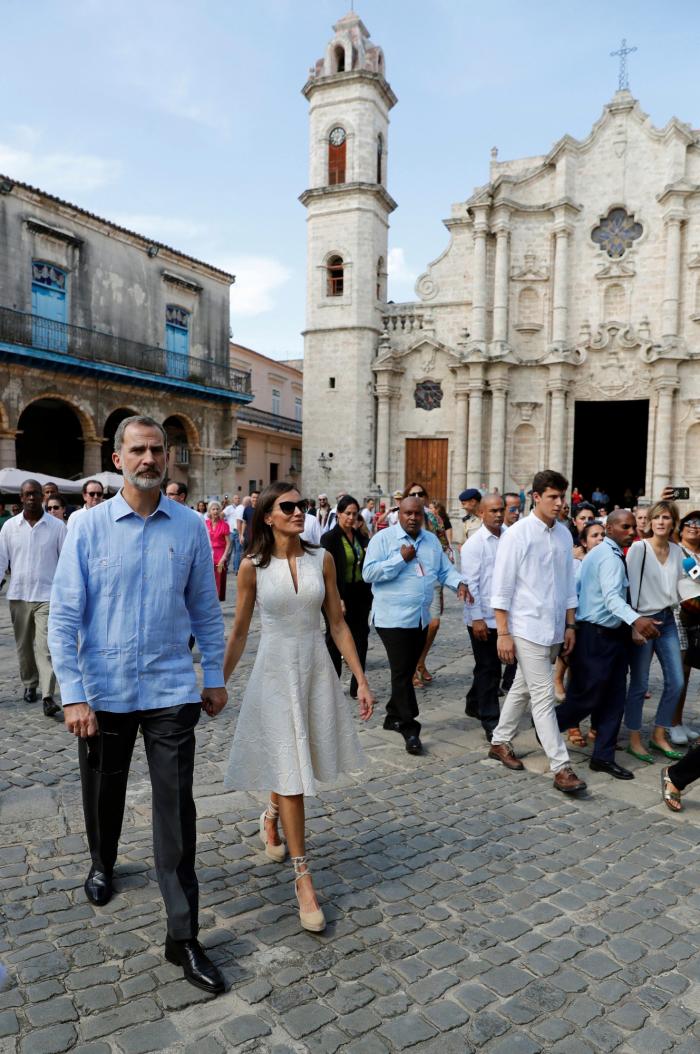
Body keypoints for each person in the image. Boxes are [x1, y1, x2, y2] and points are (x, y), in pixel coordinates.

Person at [48, 415, 227, 995]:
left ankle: (183, 936)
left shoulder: (192, 528)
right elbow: (64, 617)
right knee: (105, 791)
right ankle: (103, 861)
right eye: (137, 450)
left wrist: (215, 675)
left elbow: (205, 609)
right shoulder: (87, 527)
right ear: (118, 459)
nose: (148, 459)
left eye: (157, 450)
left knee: (177, 811)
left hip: (172, 690)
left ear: (168, 457)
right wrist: (73, 693)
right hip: (104, 691)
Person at [223, 483, 374, 933]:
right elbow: (240, 633)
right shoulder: (251, 567)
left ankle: (270, 816)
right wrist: (216, 684)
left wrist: (361, 679)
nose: (298, 512)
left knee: (294, 757)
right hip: (274, 674)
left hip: (314, 670)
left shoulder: (320, 559)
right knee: (291, 767)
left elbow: (338, 623)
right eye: (288, 506)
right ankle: (303, 875)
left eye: (301, 506)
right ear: (267, 516)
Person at [487, 469, 586, 794]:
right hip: (526, 626)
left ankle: (500, 741)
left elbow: (568, 585)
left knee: (523, 687)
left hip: (555, 627)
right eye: (553, 497)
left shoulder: (564, 534)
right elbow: (502, 587)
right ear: (537, 497)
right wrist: (503, 632)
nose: (559, 503)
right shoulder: (517, 535)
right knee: (543, 697)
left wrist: (570, 624)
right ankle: (561, 767)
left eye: (562, 497)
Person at [555, 511, 661, 780]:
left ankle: (602, 757)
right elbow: (612, 599)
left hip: (611, 636)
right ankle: (548, 724)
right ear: (610, 528)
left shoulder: (604, 553)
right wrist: (637, 620)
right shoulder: (608, 557)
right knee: (588, 695)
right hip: (596, 635)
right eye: (625, 527)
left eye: (632, 526)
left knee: (614, 699)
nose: (631, 531)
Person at [363, 495, 469, 755]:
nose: (412, 518)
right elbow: (369, 573)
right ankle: (410, 727)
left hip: (420, 618)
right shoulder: (383, 539)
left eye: (417, 514)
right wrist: (400, 559)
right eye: (407, 513)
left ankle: (392, 715)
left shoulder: (431, 540)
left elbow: (444, 570)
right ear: (399, 514)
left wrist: (459, 584)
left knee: (408, 668)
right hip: (392, 619)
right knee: (402, 673)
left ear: (423, 516)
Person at [624, 500, 686, 763]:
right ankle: (635, 739)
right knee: (639, 683)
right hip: (641, 620)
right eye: (657, 517)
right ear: (650, 521)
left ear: (673, 523)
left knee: (677, 681)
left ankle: (659, 734)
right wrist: (634, 625)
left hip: (668, 619)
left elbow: (684, 587)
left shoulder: (678, 551)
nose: (661, 522)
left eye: (666, 517)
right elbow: (627, 588)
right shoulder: (639, 549)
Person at [0, 478, 65, 716]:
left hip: (47, 596)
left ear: (43, 497)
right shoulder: (9, 527)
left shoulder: (57, 527)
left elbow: (66, 562)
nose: (31, 498)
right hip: (18, 594)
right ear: (21, 497)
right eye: (27, 494)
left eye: (36, 494)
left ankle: (48, 695)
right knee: (24, 646)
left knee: (45, 646)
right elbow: (1, 560)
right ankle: (30, 684)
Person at [461, 494, 505, 741]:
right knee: (490, 668)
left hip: (505, 615)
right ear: (481, 513)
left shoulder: (511, 537)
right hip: (483, 617)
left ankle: (473, 700)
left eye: (501, 510)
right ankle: (491, 720)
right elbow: (470, 584)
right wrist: (476, 617)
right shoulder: (474, 544)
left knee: (486, 666)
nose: (498, 515)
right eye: (493, 511)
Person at [320, 494, 373, 699]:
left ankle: (357, 685)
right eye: (347, 513)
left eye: (354, 513)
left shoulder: (360, 537)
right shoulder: (329, 539)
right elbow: (326, 572)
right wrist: (337, 598)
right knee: (334, 640)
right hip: (338, 593)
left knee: (361, 639)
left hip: (360, 593)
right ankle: (332, 685)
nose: (351, 517)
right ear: (339, 514)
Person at [403, 483, 453, 687]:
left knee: (434, 623)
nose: (417, 496)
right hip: (408, 579)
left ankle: (420, 661)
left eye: (420, 493)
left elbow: (443, 544)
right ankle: (413, 667)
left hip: (432, 577)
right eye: (413, 494)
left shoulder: (434, 518)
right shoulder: (400, 517)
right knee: (414, 625)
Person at [669, 510, 700, 745]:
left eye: (699, 524)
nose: (694, 526)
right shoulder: (675, 551)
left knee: (687, 672)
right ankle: (670, 723)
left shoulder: (698, 555)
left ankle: (677, 720)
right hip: (677, 614)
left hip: (696, 618)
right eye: (689, 522)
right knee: (678, 673)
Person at [205, 501, 232, 601]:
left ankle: (216, 602)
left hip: (220, 554)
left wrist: (224, 557)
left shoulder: (224, 525)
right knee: (207, 579)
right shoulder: (205, 523)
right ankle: (208, 601)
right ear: (209, 511)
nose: (215, 511)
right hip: (208, 554)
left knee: (219, 579)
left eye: (217, 509)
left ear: (220, 511)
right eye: (213, 509)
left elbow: (228, 543)